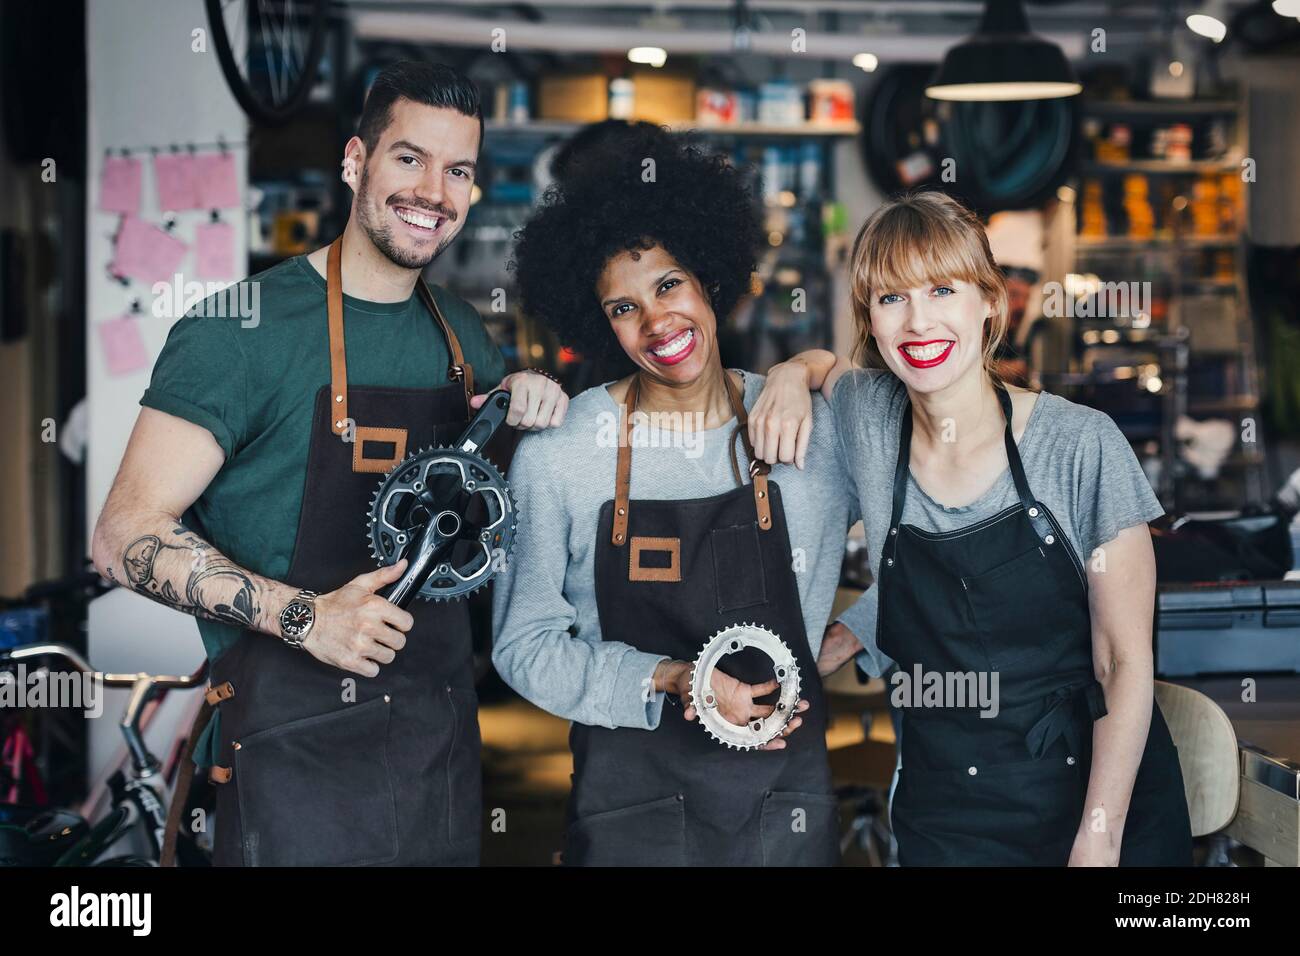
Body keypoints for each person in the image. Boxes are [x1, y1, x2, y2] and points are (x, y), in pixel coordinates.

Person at [90, 61, 567, 867]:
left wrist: (523, 396)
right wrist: (310, 619)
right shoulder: (240, 332)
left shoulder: (460, 335)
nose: (433, 192)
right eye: (409, 159)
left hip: (434, 754)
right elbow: (123, 536)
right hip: (287, 759)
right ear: (356, 161)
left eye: (457, 171)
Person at [749, 190, 1193, 866]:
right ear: (869, 316)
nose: (918, 321)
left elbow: (1123, 663)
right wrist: (787, 374)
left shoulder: (1078, 446)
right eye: (891, 298)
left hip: (1089, 798)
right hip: (945, 803)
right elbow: (827, 367)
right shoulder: (871, 419)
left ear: (992, 302)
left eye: (942, 289)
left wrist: (1097, 840)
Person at [492, 126, 874, 866]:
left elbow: (943, 521)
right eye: (622, 307)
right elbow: (525, 647)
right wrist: (670, 678)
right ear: (597, 324)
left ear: (708, 277)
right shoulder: (562, 454)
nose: (658, 321)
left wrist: (859, 635)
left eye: (668, 283)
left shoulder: (810, 432)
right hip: (632, 810)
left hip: (783, 809)